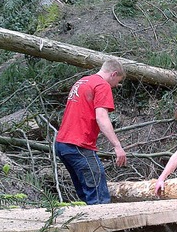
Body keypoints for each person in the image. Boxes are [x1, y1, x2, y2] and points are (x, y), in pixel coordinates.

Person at [54, 59, 127, 205]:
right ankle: (105, 226)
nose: (115, 86)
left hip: (62, 144)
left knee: (86, 194)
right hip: (78, 145)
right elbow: (101, 118)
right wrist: (117, 146)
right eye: (116, 82)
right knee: (99, 197)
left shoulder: (83, 81)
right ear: (113, 74)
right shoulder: (102, 85)